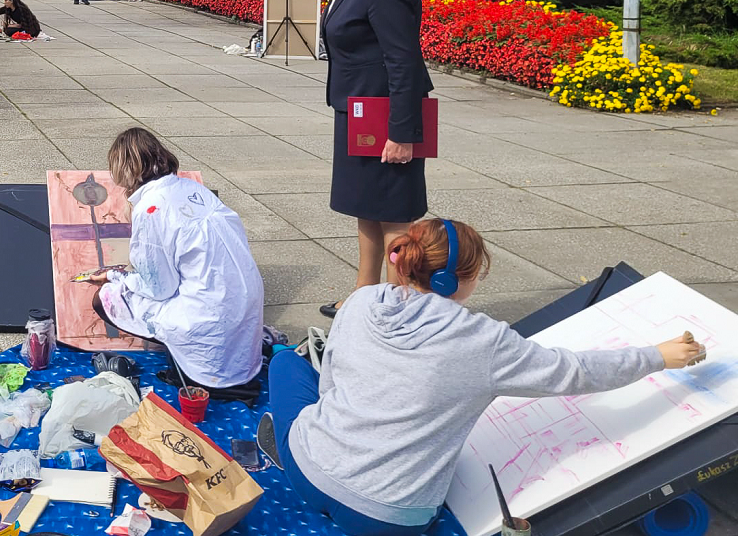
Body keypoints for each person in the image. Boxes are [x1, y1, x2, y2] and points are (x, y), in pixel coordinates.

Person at [264, 218, 705, 536]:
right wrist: (658, 356)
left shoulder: (361, 301)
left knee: (285, 363)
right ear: (460, 279)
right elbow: (576, 372)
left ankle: (293, 447)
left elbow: (331, 383)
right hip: (388, 518)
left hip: (308, 470)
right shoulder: (485, 342)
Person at [308, 0, 434, 319]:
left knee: (394, 213)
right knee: (366, 205)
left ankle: (402, 304)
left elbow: (403, 59)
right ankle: (365, 292)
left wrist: (402, 131)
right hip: (358, 108)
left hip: (386, 114)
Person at [89, 127, 265, 399]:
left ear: (123, 170)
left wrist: (115, 277)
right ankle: (190, 359)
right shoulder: (192, 188)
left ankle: (196, 372)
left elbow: (159, 288)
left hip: (209, 318)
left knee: (104, 298)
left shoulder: (151, 209)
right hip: (243, 309)